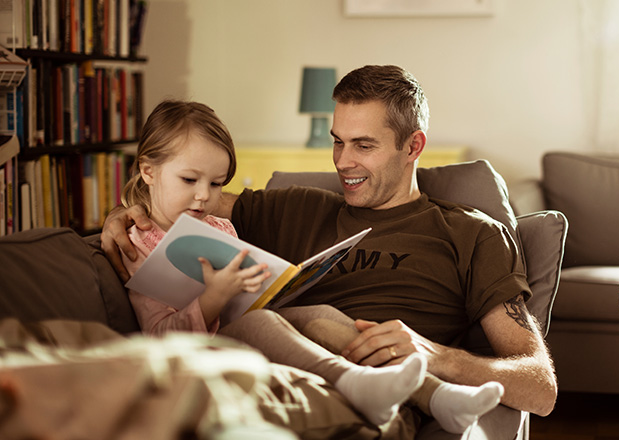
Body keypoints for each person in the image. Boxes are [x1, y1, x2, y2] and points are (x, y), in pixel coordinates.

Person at [102, 65, 556, 429]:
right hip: (282, 378)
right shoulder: (297, 209)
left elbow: (540, 386)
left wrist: (435, 356)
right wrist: (124, 213)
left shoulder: (469, 233)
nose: (343, 162)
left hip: (385, 403)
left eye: (364, 145)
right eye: (337, 142)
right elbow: (183, 193)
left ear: (413, 145)